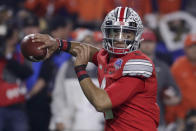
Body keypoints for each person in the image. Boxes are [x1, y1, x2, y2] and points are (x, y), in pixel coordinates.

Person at [32, 7, 160, 130]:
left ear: (136, 35)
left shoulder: (138, 64)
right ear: (106, 32)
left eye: (127, 34)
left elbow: (101, 102)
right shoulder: (109, 57)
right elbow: (90, 52)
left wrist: (81, 69)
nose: (120, 39)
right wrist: (59, 44)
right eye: (115, 32)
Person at [49, 28, 104, 131]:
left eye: (91, 43)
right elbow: (58, 95)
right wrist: (59, 119)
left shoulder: (102, 69)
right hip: (69, 122)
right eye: (84, 43)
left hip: (94, 123)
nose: (88, 46)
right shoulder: (66, 68)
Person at [140, 28, 181, 130]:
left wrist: (173, 97)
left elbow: (175, 92)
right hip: (132, 121)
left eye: (150, 41)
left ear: (155, 44)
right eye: (144, 42)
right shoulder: (127, 65)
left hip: (157, 121)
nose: (147, 44)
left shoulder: (163, 67)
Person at [165, 34, 196, 125]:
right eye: (191, 46)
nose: (194, 49)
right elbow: (171, 94)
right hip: (183, 117)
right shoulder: (177, 67)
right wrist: (173, 119)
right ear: (185, 49)